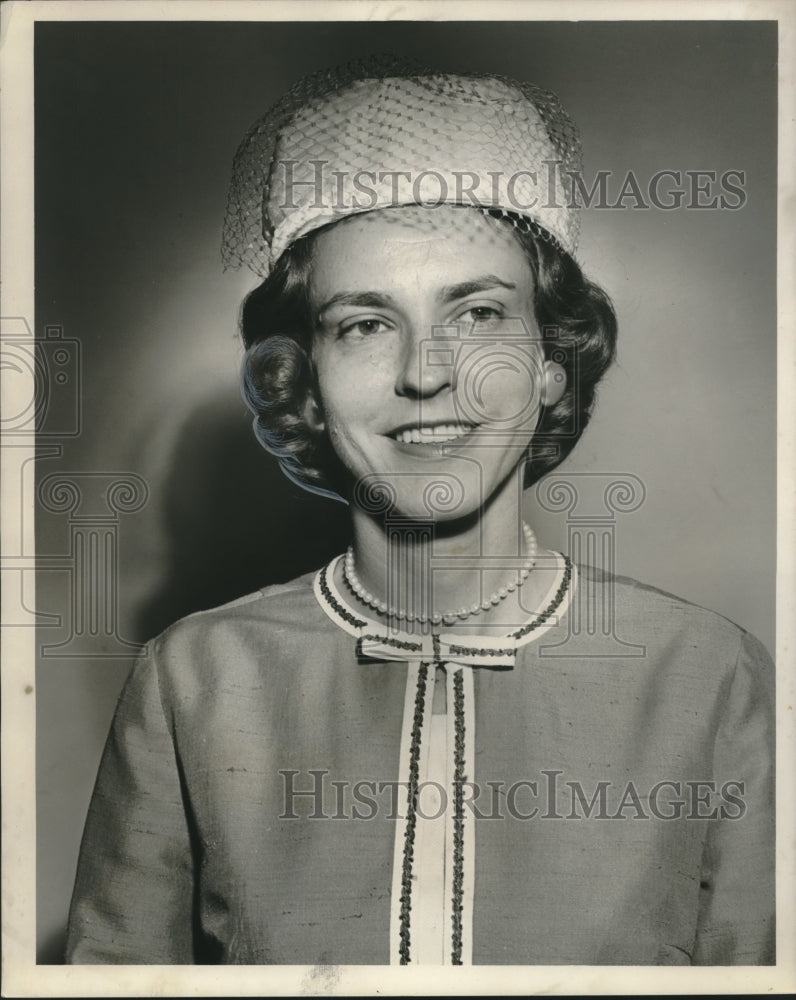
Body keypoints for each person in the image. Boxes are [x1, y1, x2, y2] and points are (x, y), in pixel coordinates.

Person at [65, 60, 774, 966]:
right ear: (307, 384)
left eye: (478, 312)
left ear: (552, 363)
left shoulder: (706, 676)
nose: (428, 373)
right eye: (363, 324)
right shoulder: (192, 681)